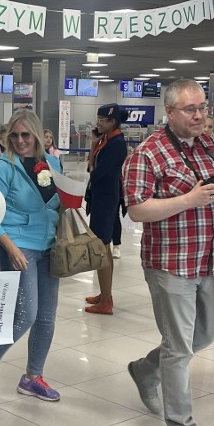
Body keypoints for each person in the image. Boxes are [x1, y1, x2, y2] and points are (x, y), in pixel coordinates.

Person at [122, 79, 214, 426]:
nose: (200, 116)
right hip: (171, 263)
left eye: (203, 107)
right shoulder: (148, 153)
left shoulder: (212, 145)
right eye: (190, 109)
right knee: (179, 348)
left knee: (202, 336)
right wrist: (189, 199)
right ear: (170, 112)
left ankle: (144, 369)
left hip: (209, 258)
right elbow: (138, 209)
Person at [0, 110, 63, 403]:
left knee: (46, 317)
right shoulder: (2, 168)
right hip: (17, 243)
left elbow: (59, 203)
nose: (21, 140)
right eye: (15, 135)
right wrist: (8, 247)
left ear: (38, 135)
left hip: (48, 243)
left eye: (26, 135)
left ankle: (33, 377)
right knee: (26, 314)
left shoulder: (52, 163)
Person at [84, 104, 128, 315]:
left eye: (102, 120)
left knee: (102, 248)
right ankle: (104, 293)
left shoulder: (117, 144)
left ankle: (106, 300)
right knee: (104, 247)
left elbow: (97, 173)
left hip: (107, 199)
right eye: (98, 119)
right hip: (101, 197)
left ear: (113, 122)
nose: (98, 123)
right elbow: (90, 166)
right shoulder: (105, 140)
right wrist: (94, 144)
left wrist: (93, 165)